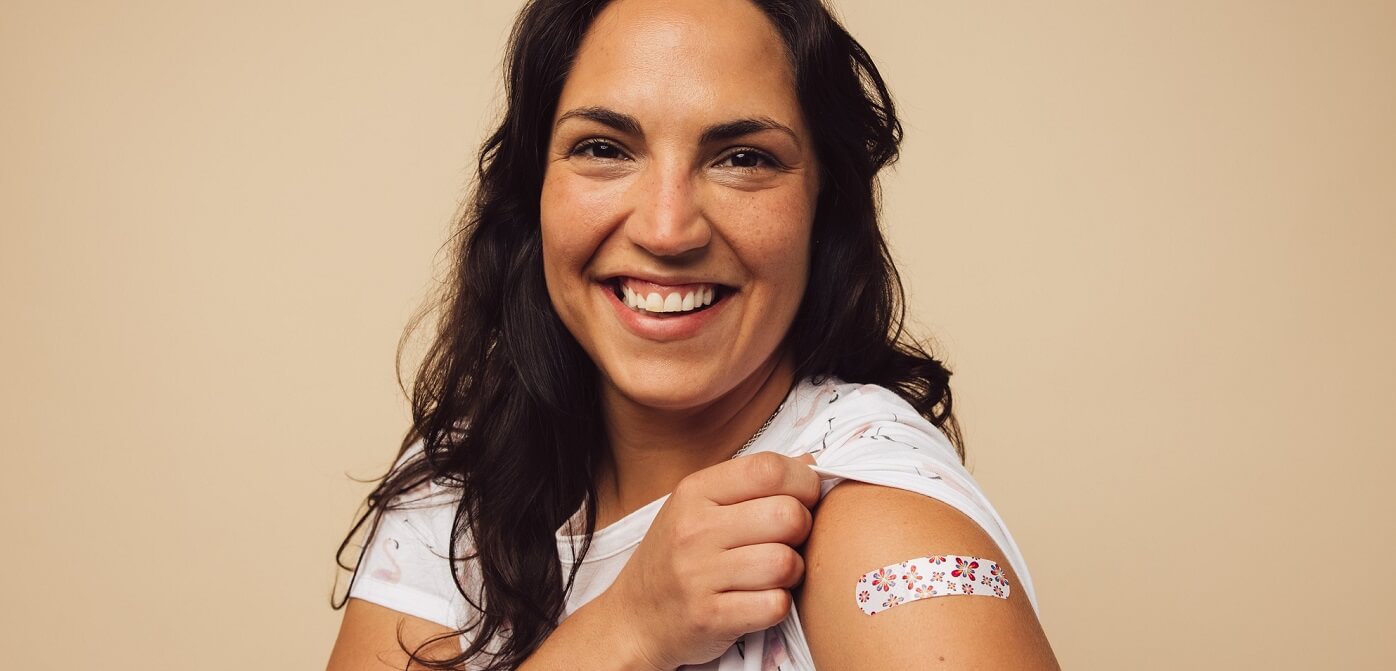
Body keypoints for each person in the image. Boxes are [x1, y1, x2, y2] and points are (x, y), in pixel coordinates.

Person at [328, 0, 1059, 668]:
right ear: (534, 189)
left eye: (743, 158)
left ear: (822, 208)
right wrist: (627, 627)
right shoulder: (457, 489)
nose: (666, 228)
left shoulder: (882, 528)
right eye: (605, 148)